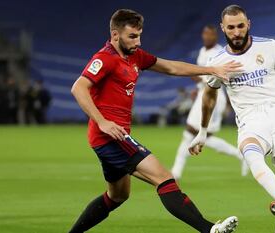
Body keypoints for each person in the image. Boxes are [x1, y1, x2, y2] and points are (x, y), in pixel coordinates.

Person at [69, 9, 241, 233]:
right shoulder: (104, 58)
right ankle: (210, 229)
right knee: (164, 178)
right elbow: (78, 87)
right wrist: (102, 121)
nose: (138, 42)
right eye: (132, 36)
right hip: (110, 136)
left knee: (118, 195)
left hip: (111, 137)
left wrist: (211, 70)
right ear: (114, 35)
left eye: (139, 35)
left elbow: (171, 67)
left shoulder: (135, 56)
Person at [188, 5, 275, 233]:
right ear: (223, 28)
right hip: (250, 118)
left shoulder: (271, 47)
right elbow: (209, 95)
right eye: (231, 27)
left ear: (248, 23)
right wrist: (202, 131)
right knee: (251, 153)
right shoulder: (217, 61)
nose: (237, 32)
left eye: (240, 26)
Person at [171, 25, 247, 180]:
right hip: (202, 93)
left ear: (216, 36)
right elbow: (203, 76)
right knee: (193, 134)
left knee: (195, 132)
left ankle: (175, 172)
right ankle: (175, 172)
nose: (207, 37)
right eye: (205, 34)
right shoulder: (202, 51)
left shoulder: (220, 52)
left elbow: (218, 76)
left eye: (210, 34)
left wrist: (195, 75)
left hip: (214, 95)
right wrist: (197, 85)